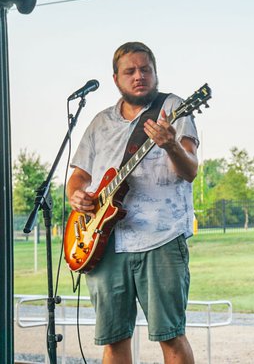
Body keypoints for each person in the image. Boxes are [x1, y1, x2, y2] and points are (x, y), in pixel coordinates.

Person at [67, 42, 199, 364]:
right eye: (130, 71)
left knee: (171, 336)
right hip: (104, 241)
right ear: (116, 78)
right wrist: (76, 195)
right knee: (113, 340)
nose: (139, 76)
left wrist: (170, 147)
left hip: (161, 238)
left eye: (145, 70)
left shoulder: (173, 108)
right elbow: (78, 177)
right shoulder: (100, 122)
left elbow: (190, 169)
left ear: (155, 73)